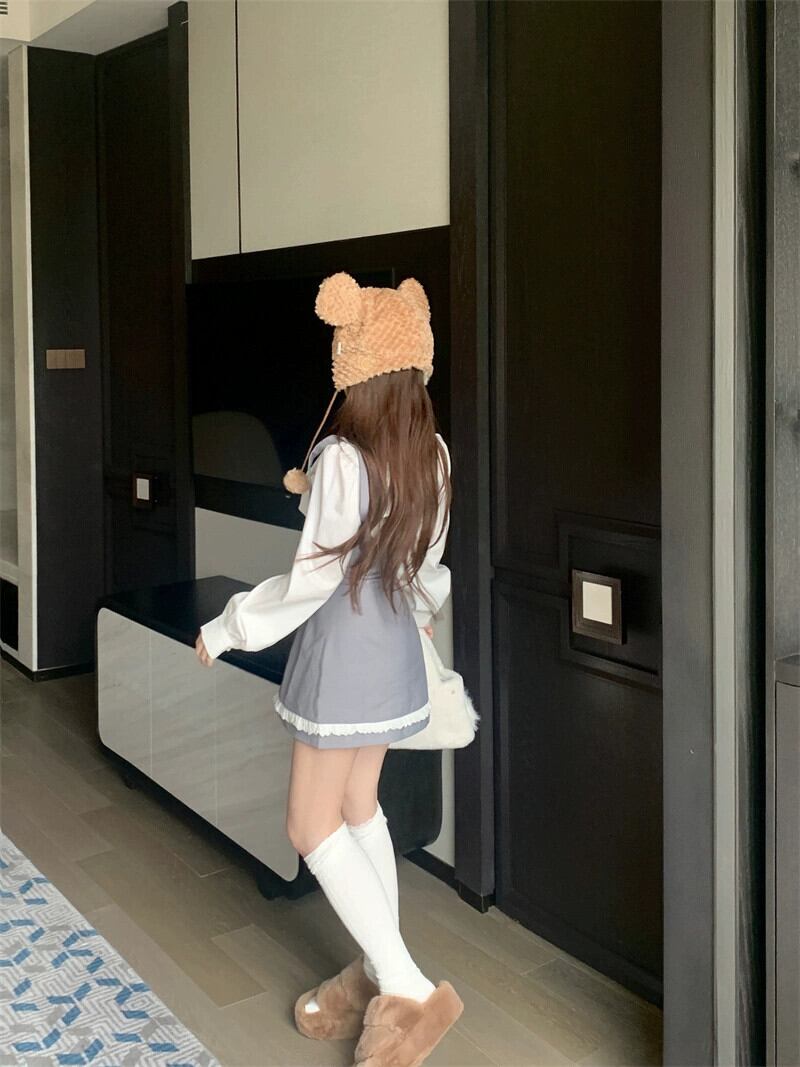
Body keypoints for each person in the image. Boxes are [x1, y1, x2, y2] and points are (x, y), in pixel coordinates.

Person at [194, 272, 464, 1066]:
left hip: (344, 659)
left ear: (356, 368)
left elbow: (311, 580)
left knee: (309, 825)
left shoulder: (343, 457)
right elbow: (426, 564)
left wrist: (230, 626)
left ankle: (408, 987)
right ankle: (381, 970)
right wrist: (421, 612)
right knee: (358, 805)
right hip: (395, 654)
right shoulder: (434, 454)